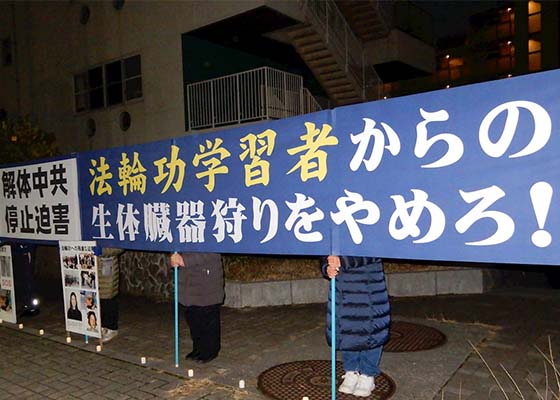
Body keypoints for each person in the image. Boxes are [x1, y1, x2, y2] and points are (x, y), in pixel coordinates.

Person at [321, 255, 390, 398]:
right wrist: (326, 267)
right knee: (346, 327)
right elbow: (325, 248)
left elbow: (377, 248)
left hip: (368, 283)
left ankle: (367, 374)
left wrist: (345, 260)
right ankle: (351, 371)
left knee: (371, 328)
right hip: (343, 287)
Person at [169, 252, 224, 364]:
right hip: (189, 282)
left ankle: (210, 351)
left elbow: (212, 253)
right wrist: (174, 259)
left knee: (207, 318)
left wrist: (184, 260)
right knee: (193, 317)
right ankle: (198, 348)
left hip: (206, 279)